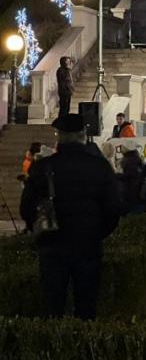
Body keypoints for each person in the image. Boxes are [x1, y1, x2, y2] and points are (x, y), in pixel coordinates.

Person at [20, 114, 121, 319]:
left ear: (60, 137)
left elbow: (26, 207)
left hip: (53, 242)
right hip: (87, 242)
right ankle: (84, 345)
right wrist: (97, 232)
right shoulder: (99, 166)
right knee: (86, 303)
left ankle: (54, 345)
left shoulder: (43, 167)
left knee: (52, 303)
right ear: (83, 136)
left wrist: (40, 230)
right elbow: (113, 207)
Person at [117, 150, 145, 215]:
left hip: (130, 196)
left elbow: (130, 175)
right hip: (138, 197)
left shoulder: (130, 161)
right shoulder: (138, 161)